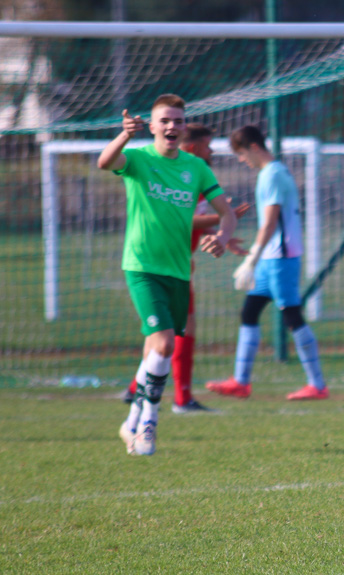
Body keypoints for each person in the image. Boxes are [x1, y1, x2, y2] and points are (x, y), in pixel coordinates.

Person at [99, 94, 237, 456]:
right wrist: (124, 136)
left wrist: (222, 237)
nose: (172, 126)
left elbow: (228, 212)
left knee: (153, 354)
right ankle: (148, 423)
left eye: (178, 120)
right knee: (164, 345)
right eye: (165, 120)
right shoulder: (140, 159)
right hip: (142, 266)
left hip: (178, 270)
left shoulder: (196, 167)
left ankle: (130, 421)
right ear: (153, 125)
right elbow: (105, 162)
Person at [122, 123, 249, 413]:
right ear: (192, 148)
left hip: (179, 265)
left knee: (166, 336)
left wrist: (221, 237)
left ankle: (141, 392)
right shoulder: (179, 176)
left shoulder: (198, 177)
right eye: (207, 144)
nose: (212, 150)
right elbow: (179, 220)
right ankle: (180, 398)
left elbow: (190, 222)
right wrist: (220, 220)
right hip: (160, 267)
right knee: (174, 334)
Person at [206, 125, 328, 401]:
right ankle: (241, 381)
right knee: (250, 311)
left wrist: (251, 259)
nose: (241, 160)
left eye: (240, 153)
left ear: (253, 147)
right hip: (271, 258)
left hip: (281, 257)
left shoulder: (272, 174)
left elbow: (271, 222)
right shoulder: (271, 173)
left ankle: (317, 385)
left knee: (292, 316)